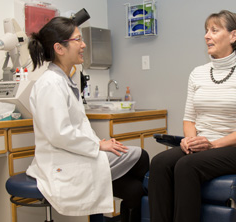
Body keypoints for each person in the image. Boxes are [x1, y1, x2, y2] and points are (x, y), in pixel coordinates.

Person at [26, 16, 149, 222]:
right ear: (59, 48)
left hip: (76, 154)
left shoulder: (64, 80)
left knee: (135, 190)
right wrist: (99, 145)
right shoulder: (50, 84)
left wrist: (98, 145)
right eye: (78, 40)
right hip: (63, 161)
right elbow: (60, 134)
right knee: (141, 156)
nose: (83, 45)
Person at [148, 10, 236, 222]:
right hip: (203, 146)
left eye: (214, 30)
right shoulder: (197, 73)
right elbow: (189, 119)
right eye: (206, 31)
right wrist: (191, 140)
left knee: (186, 165)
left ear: (233, 36)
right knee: (159, 162)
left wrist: (213, 144)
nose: (206, 36)